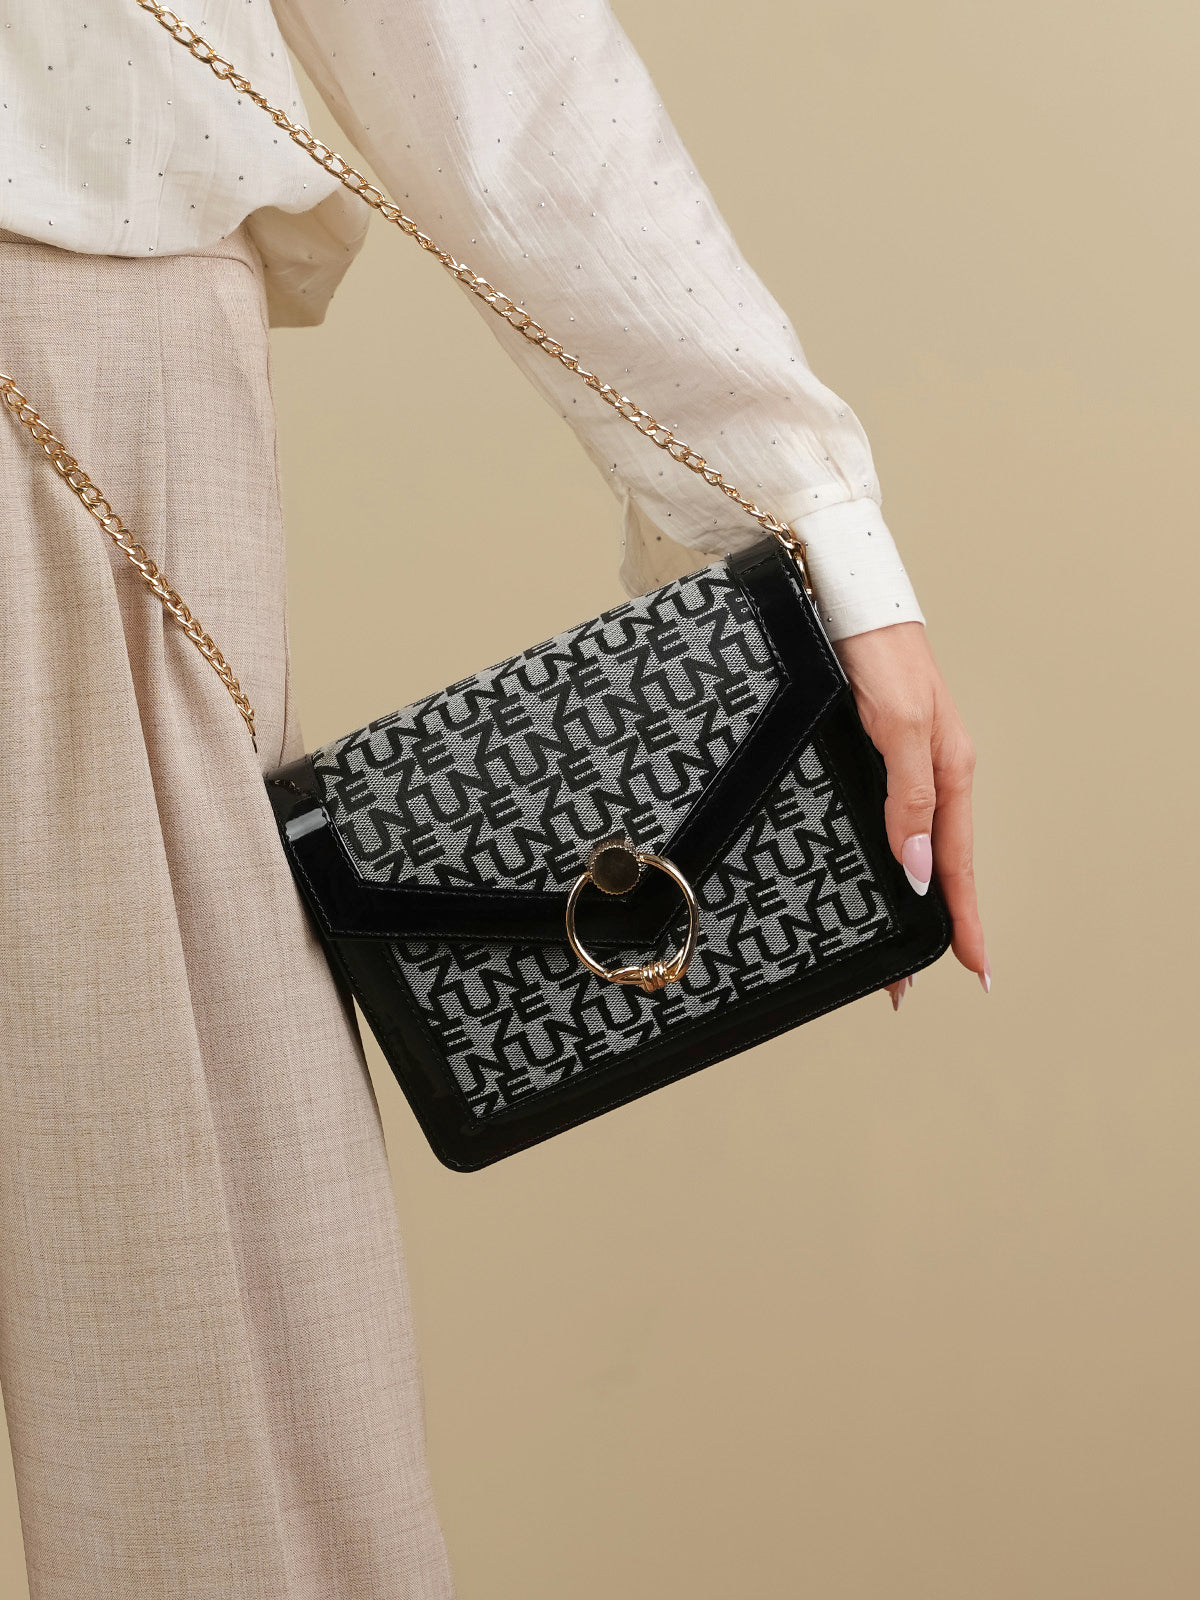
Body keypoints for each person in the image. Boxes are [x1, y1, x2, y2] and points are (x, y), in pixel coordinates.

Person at [0, 0, 987, 1595]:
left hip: (57, 324)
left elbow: (480, 58)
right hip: (68, 330)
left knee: (206, 1358)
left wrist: (805, 522)